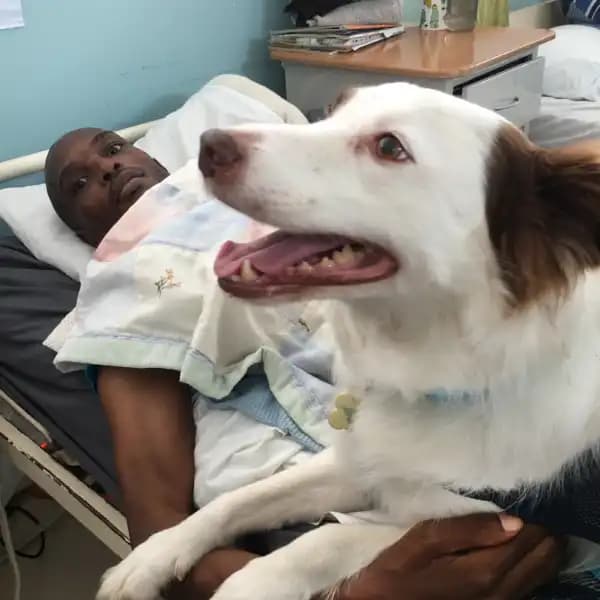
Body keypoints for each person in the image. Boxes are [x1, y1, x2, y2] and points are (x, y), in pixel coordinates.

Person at [44, 128, 564, 600]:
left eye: (112, 148)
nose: (108, 167)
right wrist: (356, 594)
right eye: (80, 183)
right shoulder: (133, 281)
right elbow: (157, 528)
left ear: (155, 157)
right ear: (83, 233)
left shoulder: (295, 181)